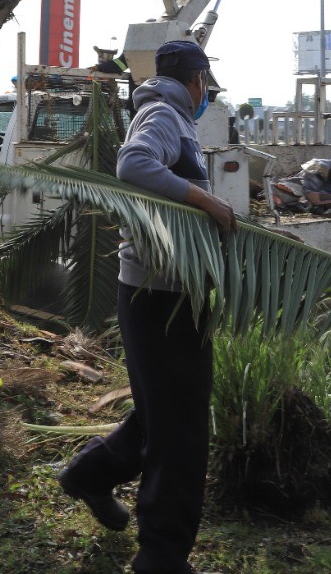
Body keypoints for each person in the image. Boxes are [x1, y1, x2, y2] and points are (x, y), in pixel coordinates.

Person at [58, 40, 236, 574]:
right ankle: (161, 554)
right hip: (157, 296)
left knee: (166, 410)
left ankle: (90, 475)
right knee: (181, 428)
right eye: (208, 82)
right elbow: (133, 165)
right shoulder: (161, 113)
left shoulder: (174, 117)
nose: (209, 92)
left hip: (167, 293)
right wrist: (205, 199)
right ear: (198, 79)